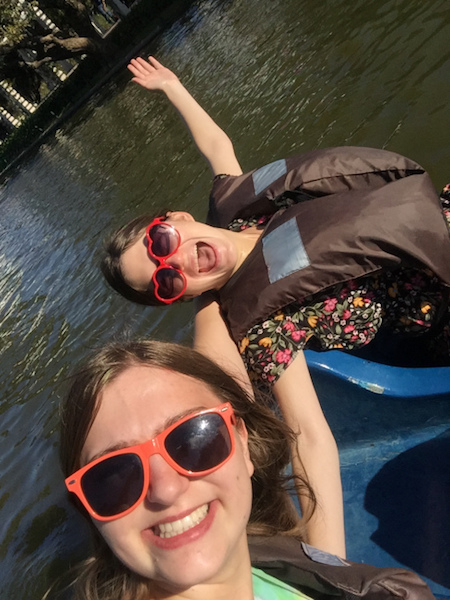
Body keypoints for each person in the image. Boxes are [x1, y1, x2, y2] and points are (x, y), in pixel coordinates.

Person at [101, 57, 450, 557]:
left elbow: (218, 146)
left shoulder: (239, 207)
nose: (174, 260)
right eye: (165, 280)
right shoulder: (264, 325)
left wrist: (172, 85)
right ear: (180, 296)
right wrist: (331, 570)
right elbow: (310, 439)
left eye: (161, 241)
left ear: (176, 219)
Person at [59, 339, 435, 600]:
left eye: (193, 438)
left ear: (242, 441)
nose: (166, 490)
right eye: (114, 477)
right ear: (91, 513)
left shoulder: (268, 551)